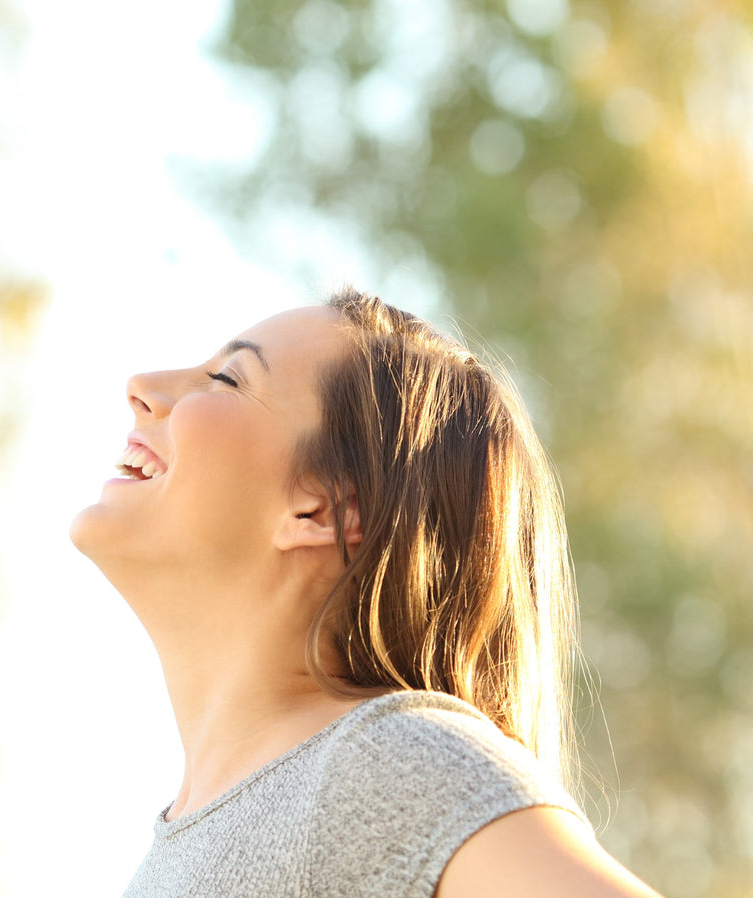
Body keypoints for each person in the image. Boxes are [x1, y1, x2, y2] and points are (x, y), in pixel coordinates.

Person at [69, 289, 662, 897]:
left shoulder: (386, 768)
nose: (142, 385)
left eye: (226, 378)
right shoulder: (195, 836)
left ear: (322, 508)